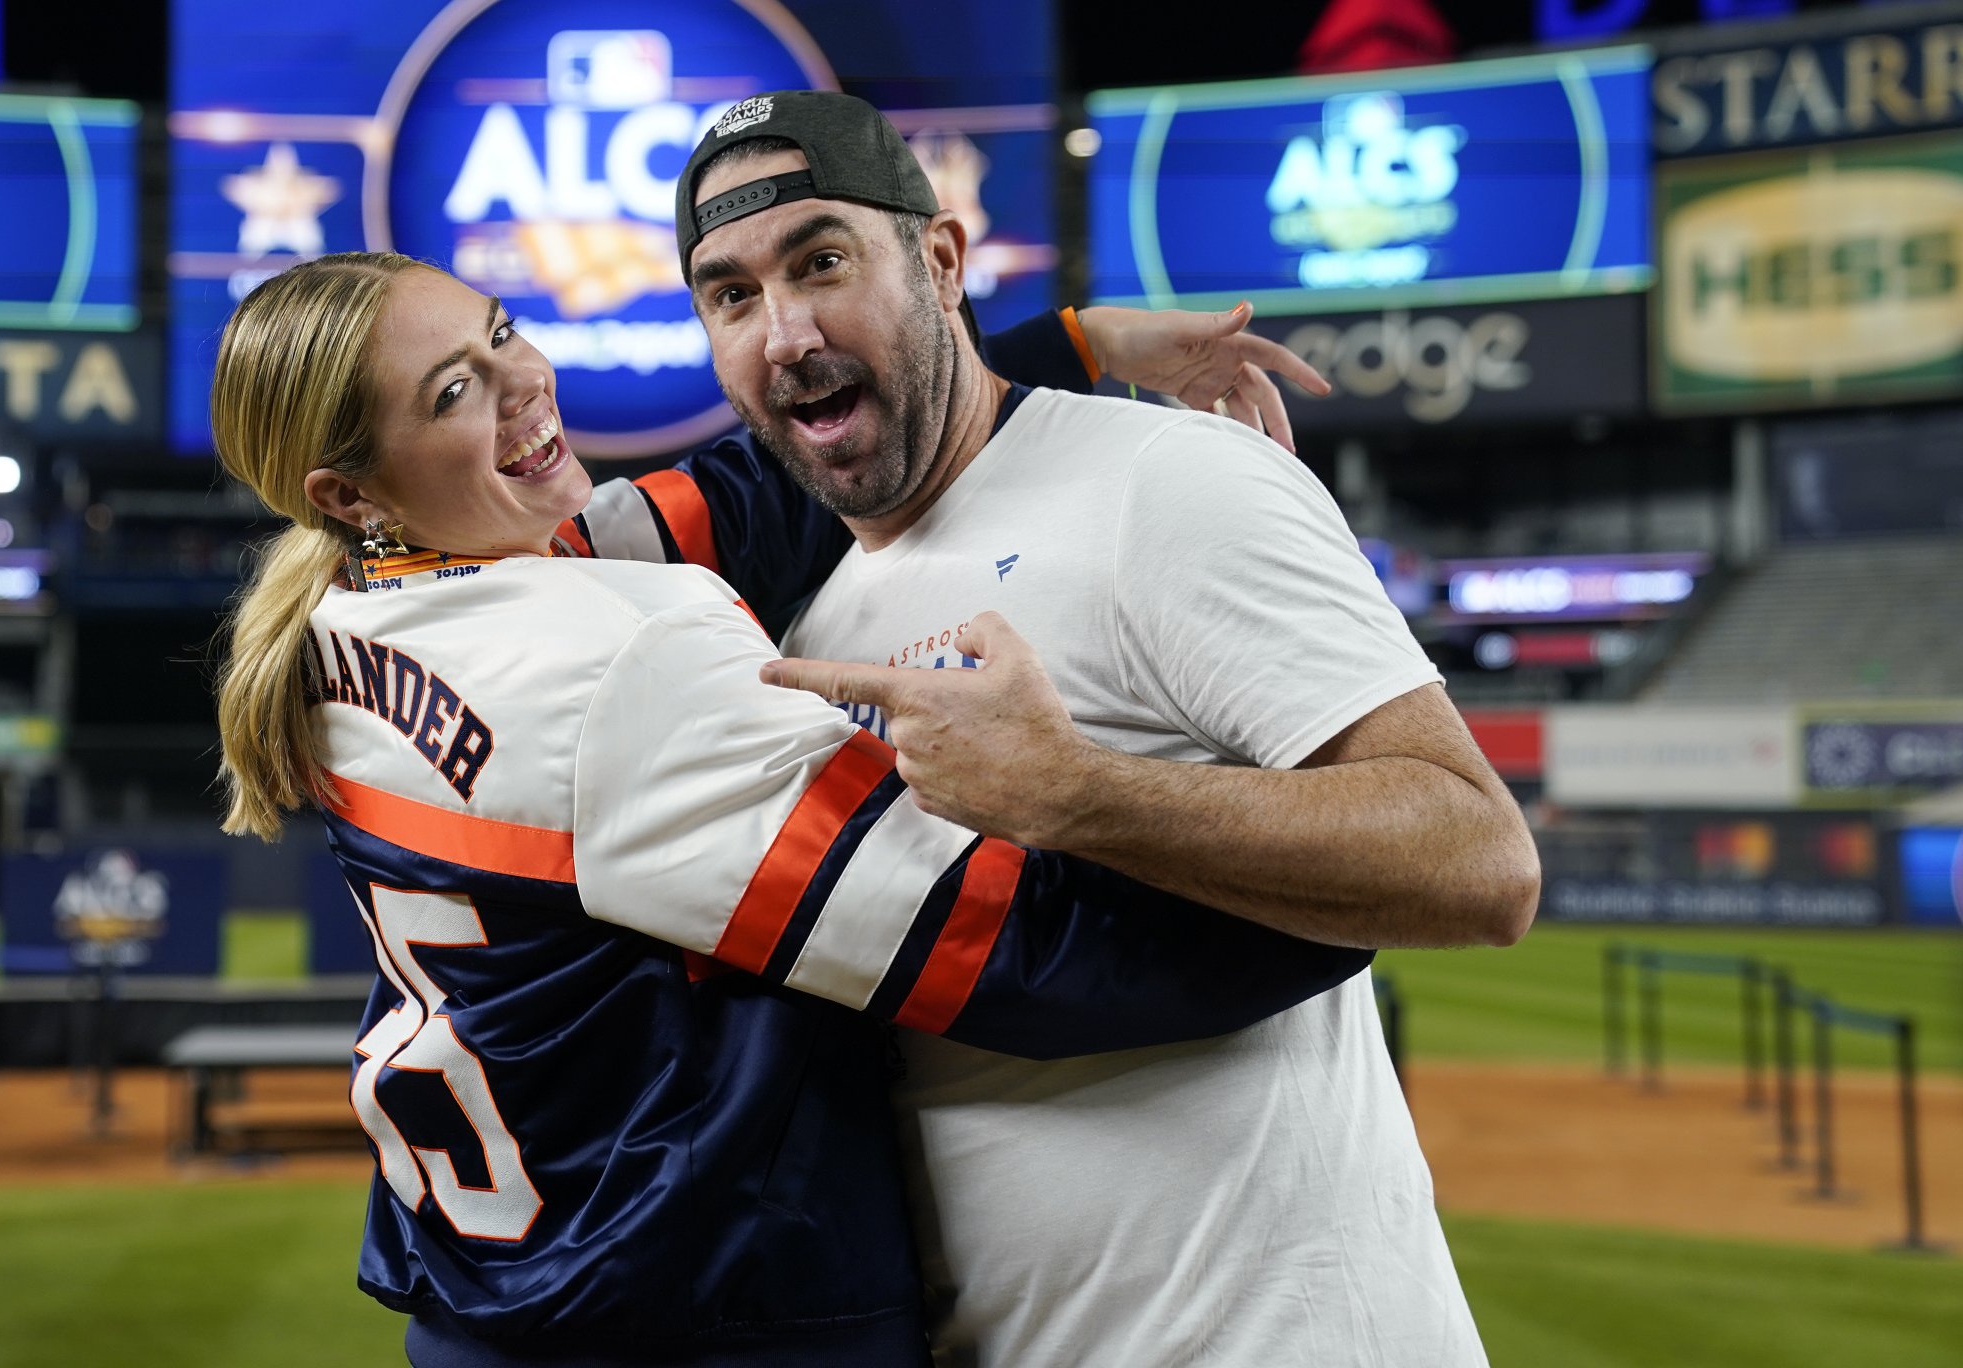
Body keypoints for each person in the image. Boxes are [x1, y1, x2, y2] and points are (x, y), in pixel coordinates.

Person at [207, 250, 1373, 1367]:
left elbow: (747, 494)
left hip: (499, 1297)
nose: (522, 382)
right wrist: (1347, 877)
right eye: (456, 389)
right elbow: (1006, 946)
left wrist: (1068, 346)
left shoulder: (356, 613)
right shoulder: (610, 653)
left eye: (500, 332)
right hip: (694, 1310)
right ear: (347, 491)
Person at [658, 91, 1541, 1367]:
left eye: (822, 261)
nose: (786, 333)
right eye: (730, 295)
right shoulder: (808, 625)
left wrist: (1075, 792)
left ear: (941, 262)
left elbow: (1478, 861)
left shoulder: (1170, 480)